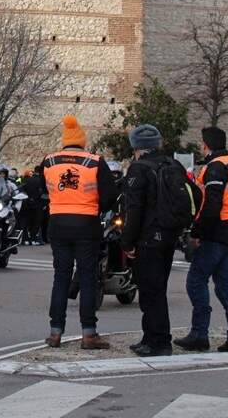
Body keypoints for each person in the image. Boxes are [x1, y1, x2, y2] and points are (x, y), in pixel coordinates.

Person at [42, 114, 116, 350]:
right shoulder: (94, 162)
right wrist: (96, 208)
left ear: (64, 141)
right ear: (82, 141)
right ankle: (88, 334)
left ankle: (55, 332)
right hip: (86, 224)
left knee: (60, 278)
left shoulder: (49, 161)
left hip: (58, 224)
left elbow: (42, 189)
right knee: (87, 278)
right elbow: (110, 196)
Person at [176, 127, 228, 353]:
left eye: (201, 143)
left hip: (217, 230)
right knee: (226, 284)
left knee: (196, 281)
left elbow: (212, 204)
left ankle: (199, 334)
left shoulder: (215, 167)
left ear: (206, 144)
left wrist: (198, 232)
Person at [120, 124, 181, 357]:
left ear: (137, 147)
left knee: (150, 291)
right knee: (159, 288)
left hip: (148, 237)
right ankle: (150, 336)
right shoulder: (172, 165)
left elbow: (134, 209)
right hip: (169, 234)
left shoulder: (139, 169)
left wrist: (127, 241)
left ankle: (159, 341)